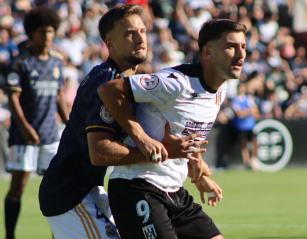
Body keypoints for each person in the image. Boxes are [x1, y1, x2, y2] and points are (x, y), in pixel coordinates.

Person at [38, 5, 209, 239]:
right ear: (110, 45)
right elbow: (99, 152)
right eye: (130, 34)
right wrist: (164, 152)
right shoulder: (107, 80)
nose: (140, 38)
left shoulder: (132, 83)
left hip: (89, 190)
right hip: (70, 195)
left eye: (142, 30)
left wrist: (194, 164)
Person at [97, 19, 247, 239]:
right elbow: (108, 90)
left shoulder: (220, 90)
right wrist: (140, 138)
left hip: (174, 189)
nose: (240, 54)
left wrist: (198, 174)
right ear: (208, 52)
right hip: (137, 186)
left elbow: (188, 134)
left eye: (243, 46)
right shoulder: (175, 82)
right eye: (231, 46)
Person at [4, 7, 69, 239]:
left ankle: (57, 235)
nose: (48, 35)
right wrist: (24, 126)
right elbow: (12, 97)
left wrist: (69, 123)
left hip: (50, 135)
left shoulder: (58, 60)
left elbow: (60, 94)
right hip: (24, 136)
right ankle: (10, 235)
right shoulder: (20, 63)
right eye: (43, 31)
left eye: (51, 31)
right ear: (32, 33)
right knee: (18, 186)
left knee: (54, 188)